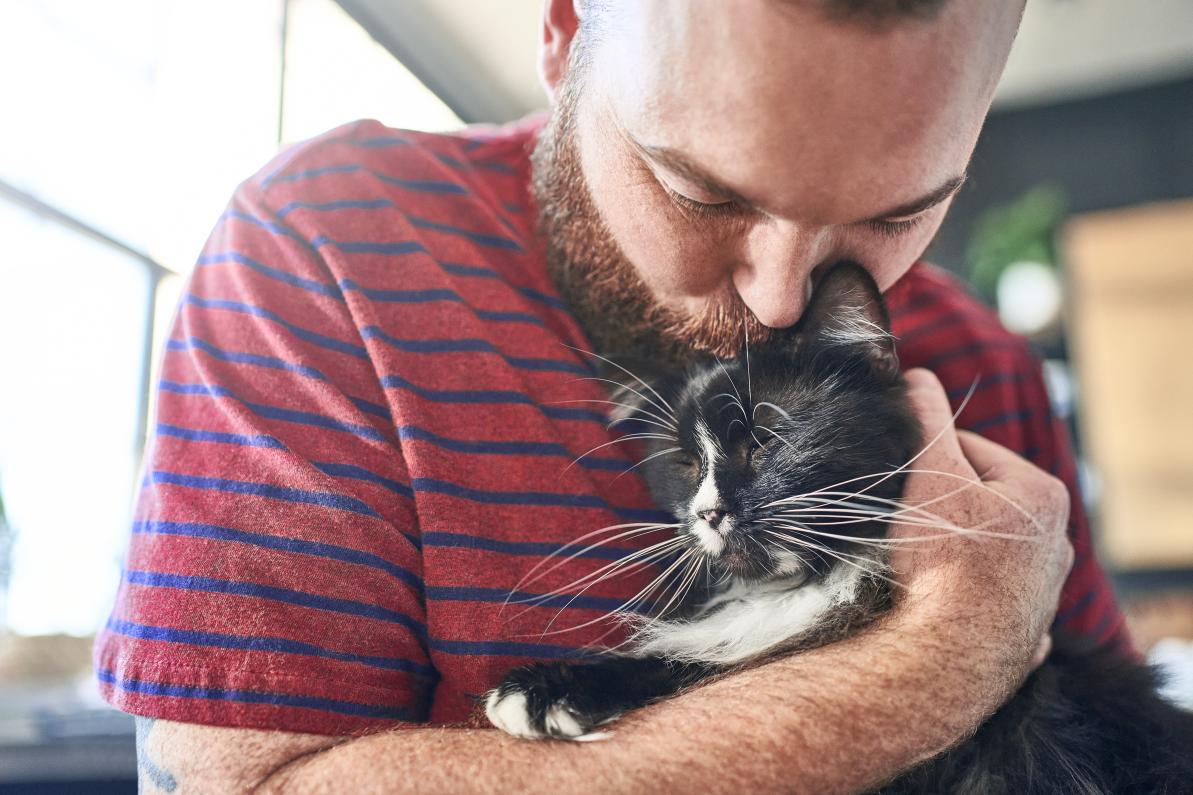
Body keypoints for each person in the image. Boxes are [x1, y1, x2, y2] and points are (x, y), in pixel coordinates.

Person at [97, 0, 1129, 791]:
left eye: (895, 217)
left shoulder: (973, 364)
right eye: (702, 194)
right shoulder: (326, 251)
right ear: (561, 32)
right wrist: (936, 664)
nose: (780, 298)